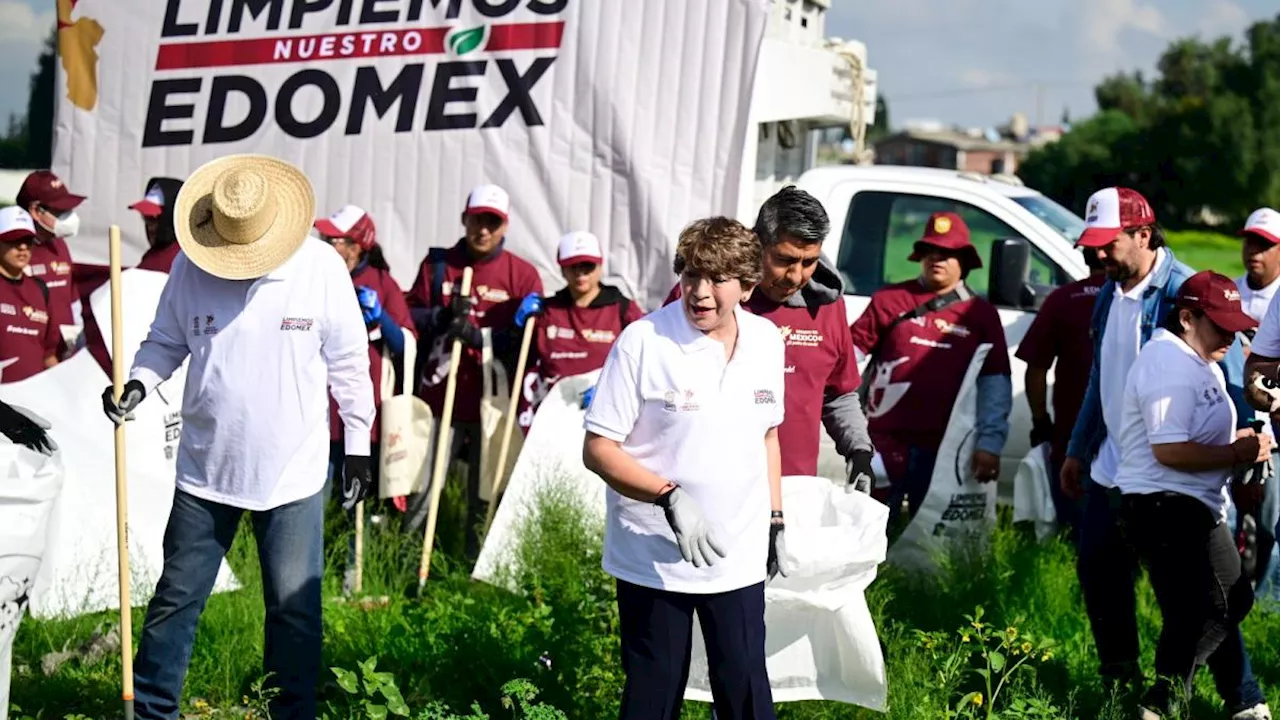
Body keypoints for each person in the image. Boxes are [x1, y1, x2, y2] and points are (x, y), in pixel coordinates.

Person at [99, 154, 376, 719]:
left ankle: (290, 713)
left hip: (293, 472)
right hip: (206, 468)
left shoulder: (320, 268)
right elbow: (165, 340)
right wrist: (137, 381)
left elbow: (350, 362)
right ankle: (152, 712)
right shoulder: (190, 266)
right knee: (176, 599)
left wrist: (358, 445)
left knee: (294, 610)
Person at [1063, 187, 1267, 717]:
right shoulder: (1110, 291)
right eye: (1094, 244)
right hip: (1118, 466)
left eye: (1108, 244)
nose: (1098, 255)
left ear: (1143, 235)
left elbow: (1234, 382)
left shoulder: (1188, 293)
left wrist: (1248, 454)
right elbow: (1099, 378)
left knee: (1200, 598)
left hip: (1172, 476)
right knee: (1101, 573)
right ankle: (1122, 683)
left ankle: (1238, 698)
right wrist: (1078, 448)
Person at [582, 216, 787, 719]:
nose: (700, 292)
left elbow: (768, 433)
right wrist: (668, 495)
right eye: (692, 274)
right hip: (653, 557)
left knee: (745, 690)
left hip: (736, 554)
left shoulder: (765, 340)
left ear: (746, 283)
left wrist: (776, 518)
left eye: (717, 279)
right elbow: (598, 448)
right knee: (655, 693)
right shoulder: (643, 341)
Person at [1115, 271, 1271, 718]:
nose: (1230, 334)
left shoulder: (1197, 361)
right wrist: (1234, 451)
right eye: (1219, 324)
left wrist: (1239, 446)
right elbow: (1168, 450)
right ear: (1187, 318)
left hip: (1180, 502)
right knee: (1229, 600)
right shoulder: (1167, 362)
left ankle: (1219, 700)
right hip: (1166, 504)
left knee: (1193, 613)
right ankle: (1162, 700)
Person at [664, 186, 874, 490]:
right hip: (701, 489)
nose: (796, 276)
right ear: (756, 244)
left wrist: (859, 451)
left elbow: (837, 394)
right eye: (784, 259)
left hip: (792, 490)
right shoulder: (706, 298)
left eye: (809, 261)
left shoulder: (828, 307)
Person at [404, 184, 543, 557]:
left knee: (485, 490)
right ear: (464, 219)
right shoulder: (439, 265)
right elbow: (410, 316)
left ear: (504, 227)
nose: (483, 229)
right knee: (424, 488)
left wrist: (512, 328)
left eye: (492, 222)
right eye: (477, 219)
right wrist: (443, 315)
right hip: (440, 398)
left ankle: (473, 568)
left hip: (493, 401)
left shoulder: (522, 275)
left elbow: (530, 345)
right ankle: (410, 568)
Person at [849, 211, 1011, 525]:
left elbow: (995, 384)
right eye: (930, 251)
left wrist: (990, 443)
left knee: (932, 540)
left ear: (964, 259)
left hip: (947, 447)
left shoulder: (981, 315)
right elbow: (849, 357)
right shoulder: (889, 299)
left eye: (947, 253)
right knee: (868, 531)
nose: (937, 258)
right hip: (883, 442)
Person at [314, 204, 416, 591]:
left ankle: (355, 574)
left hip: (364, 416)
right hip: (321, 413)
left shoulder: (381, 283)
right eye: (326, 238)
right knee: (320, 500)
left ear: (359, 245)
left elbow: (406, 345)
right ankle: (315, 571)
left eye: (336, 240)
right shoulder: (318, 277)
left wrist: (380, 319)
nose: (328, 245)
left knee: (361, 501)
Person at [1013, 248, 1106, 541]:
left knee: (1074, 533)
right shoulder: (1138, 300)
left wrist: (1041, 422)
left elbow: (1036, 369)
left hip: (1071, 438)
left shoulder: (1063, 299)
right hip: (1129, 441)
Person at [514, 230, 644, 433]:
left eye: (587, 266)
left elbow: (644, 360)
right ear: (562, 269)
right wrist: (518, 327)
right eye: (573, 267)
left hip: (603, 415)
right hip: (554, 412)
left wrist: (610, 389)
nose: (580, 274)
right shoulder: (547, 310)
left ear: (600, 266)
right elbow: (519, 357)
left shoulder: (622, 309)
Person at [1234, 207, 1280, 596]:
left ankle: (1263, 597)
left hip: (1274, 435)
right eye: (1251, 241)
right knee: (1234, 515)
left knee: (1269, 522)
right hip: (1237, 419)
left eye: (1266, 244)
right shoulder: (1228, 293)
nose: (1255, 251)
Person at [16, 170, 84, 357]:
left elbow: (73, 301)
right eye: (61, 212)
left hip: (65, 356)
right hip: (30, 358)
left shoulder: (59, 245)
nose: (69, 217)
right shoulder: (11, 252)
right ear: (36, 211)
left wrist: (78, 339)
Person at [0, 207, 59, 383]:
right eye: (14, 240)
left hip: (32, 401)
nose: (23, 247)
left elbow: (48, 354)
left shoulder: (40, 289)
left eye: (28, 240)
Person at [131, 177, 186, 273]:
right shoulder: (154, 254)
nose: (149, 227)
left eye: (154, 218)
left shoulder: (180, 261)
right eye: (145, 217)